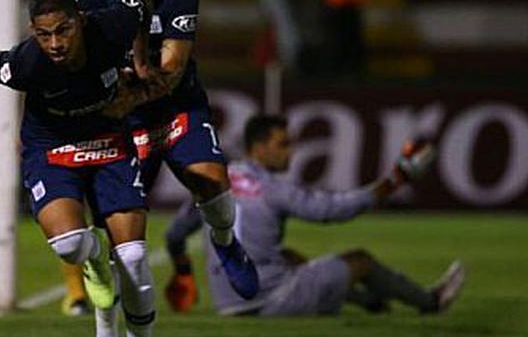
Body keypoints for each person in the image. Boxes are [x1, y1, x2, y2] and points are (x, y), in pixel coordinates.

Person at [74, 0, 259, 337]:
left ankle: (224, 240)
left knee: (211, 179)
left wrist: (129, 93)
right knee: (122, 246)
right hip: (119, 126)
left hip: (173, 108)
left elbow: (172, 71)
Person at [0, 0, 163, 337]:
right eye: (44, 34)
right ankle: (95, 260)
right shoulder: (28, 63)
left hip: (108, 140)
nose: (55, 43)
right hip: (52, 147)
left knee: (134, 257)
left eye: (63, 30)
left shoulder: (111, 27)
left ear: (80, 20)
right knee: (70, 245)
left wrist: (138, 60)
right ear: (33, 32)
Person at [165, 114, 465, 318]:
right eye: (282, 144)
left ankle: (369, 301)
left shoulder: (214, 180)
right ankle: (431, 301)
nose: (291, 152)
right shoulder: (271, 188)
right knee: (361, 261)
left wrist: (183, 273)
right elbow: (330, 211)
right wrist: (394, 181)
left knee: (291, 258)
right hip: (267, 298)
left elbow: (174, 234)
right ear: (258, 148)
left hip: (225, 301)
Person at [60, 0, 114, 317]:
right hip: (63, 122)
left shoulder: (119, 4)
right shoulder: (61, 9)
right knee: (69, 210)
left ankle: (109, 278)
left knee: (107, 208)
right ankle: (76, 292)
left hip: (108, 120)